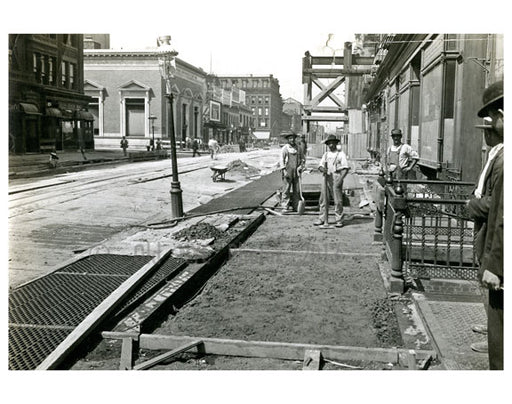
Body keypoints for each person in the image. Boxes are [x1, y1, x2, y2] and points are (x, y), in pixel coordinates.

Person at [466, 80, 503, 370]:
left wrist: (472, 205)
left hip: (496, 240)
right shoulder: (494, 156)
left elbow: (498, 207)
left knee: (491, 286)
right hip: (487, 231)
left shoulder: (503, 159)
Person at [314, 135, 350, 227]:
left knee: (338, 200)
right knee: (323, 199)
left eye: (332, 143)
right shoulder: (326, 154)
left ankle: (339, 219)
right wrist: (323, 169)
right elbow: (320, 166)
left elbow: (345, 168)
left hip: (336, 176)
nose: (331, 145)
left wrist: (340, 180)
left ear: (336, 143)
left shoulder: (341, 154)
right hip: (326, 177)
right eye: (329, 143)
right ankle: (322, 218)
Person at [279, 131, 305, 211]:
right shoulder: (285, 148)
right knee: (286, 189)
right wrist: (284, 171)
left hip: (296, 171)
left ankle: (296, 206)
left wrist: (301, 166)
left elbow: (303, 159)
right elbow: (281, 160)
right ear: (288, 139)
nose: (292, 140)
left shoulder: (298, 148)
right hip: (288, 171)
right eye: (290, 138)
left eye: (293, 138)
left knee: (296, 190)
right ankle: (285, 206)